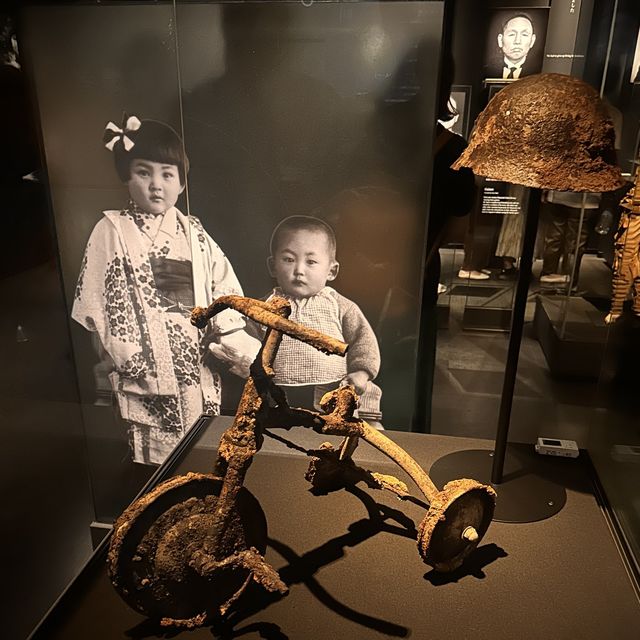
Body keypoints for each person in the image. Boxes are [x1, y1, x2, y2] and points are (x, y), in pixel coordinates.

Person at [72, 115, 259, 465]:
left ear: (182, 184)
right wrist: (126, 354)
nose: (156, 185)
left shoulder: (195, 234)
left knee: (198, 452)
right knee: (150, 456)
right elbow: (100, 303)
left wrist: (236, 346)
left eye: (167, 174)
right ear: (126, 176)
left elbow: (225, 291)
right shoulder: (111, 230)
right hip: (142, 358)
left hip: (194, 354)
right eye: (144, 172)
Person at [265, 215, 383, 427]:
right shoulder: (264, 308)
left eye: (311, 262)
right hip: (280, 393)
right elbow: (247, 346)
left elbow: (363, 341)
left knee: (354, 422)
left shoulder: (340, 306)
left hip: (333, 388)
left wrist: (361, 372)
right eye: (289, 259)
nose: (299, 270)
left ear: (331, 271)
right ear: (273, 266)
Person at [487, 13, 538, 80]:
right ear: (500, 40)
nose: (517, 41)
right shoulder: (487, 71)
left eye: (524, 35)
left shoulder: (539, 74)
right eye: (512, 34)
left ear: (532, 40)